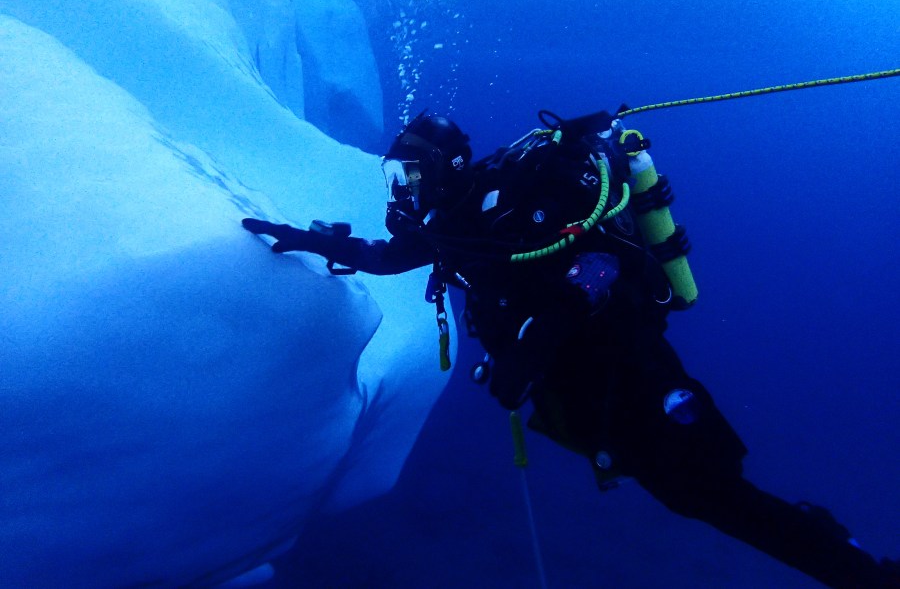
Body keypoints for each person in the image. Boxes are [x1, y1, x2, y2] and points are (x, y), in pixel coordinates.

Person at [243, 111, 898, 588]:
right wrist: (307, 239)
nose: (402, 188)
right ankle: (829, 543)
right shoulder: (449, 224)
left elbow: (603, 265)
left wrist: (532, 348)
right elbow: (389, 256)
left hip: (627, 366)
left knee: (708, 489)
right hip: (577, 390)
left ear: (444, 167)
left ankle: (856, 568)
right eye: (396, 175)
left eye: (409, 173)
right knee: (686, 491)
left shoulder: (520, 198)